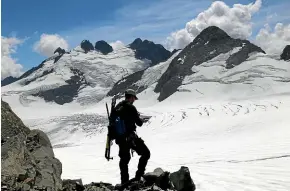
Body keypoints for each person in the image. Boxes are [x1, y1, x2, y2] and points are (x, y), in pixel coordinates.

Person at [114, 89, 151, 184]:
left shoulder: (118, 106)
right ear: (131, 97)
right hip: (130, 138)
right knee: (146, 153)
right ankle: (139, 177)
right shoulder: (131, 108)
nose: (134, 100)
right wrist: (140, 119)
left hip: (120, 138)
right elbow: (139, 123)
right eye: (134, 98)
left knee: (124, 160)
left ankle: (124, 183)